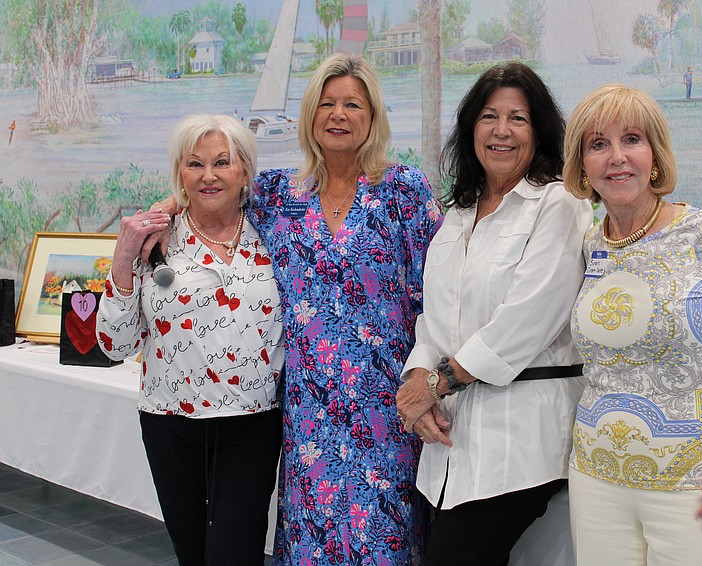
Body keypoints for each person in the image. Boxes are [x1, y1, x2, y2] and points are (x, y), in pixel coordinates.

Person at [562, 83, 702, 565]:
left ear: (655, 154)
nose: (617, 157)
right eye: (598, 144)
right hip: (596, 480)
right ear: (582, 165)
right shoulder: (590, 245)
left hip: (700, 485)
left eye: (632, 139)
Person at [395, 62, 593, 566]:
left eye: (518, 119)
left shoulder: (560, 202)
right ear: (471, 130)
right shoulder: (458, 212)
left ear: (540, 130)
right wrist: (417, 377)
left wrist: (434, 386)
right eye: (489, 116)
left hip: (521, 441)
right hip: (453, 439)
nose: (501, 130)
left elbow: (526, 320)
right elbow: (432, 318)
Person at [250, 53, 441, 564]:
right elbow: (211, 197)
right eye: (327, 103)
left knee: (387, 543)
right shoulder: (276, 197)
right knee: (314, 542)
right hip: (309, 414)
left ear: (372, 117)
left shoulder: (404, 191)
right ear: (310, 115)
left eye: (352, 104)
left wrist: (434, 381)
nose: (338, 114)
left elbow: (440, 298)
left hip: (387, 410)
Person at [97, 114, 284, 565]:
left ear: (245, 171)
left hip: (251, 423)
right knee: (194, 555)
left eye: (222, 162)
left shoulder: (278, 232)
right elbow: (114, 344)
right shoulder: (153, 241)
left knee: (233, 554)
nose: (209, 175)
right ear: (180, 172)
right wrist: (123, 258)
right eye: (194, 164)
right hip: (169, 425)